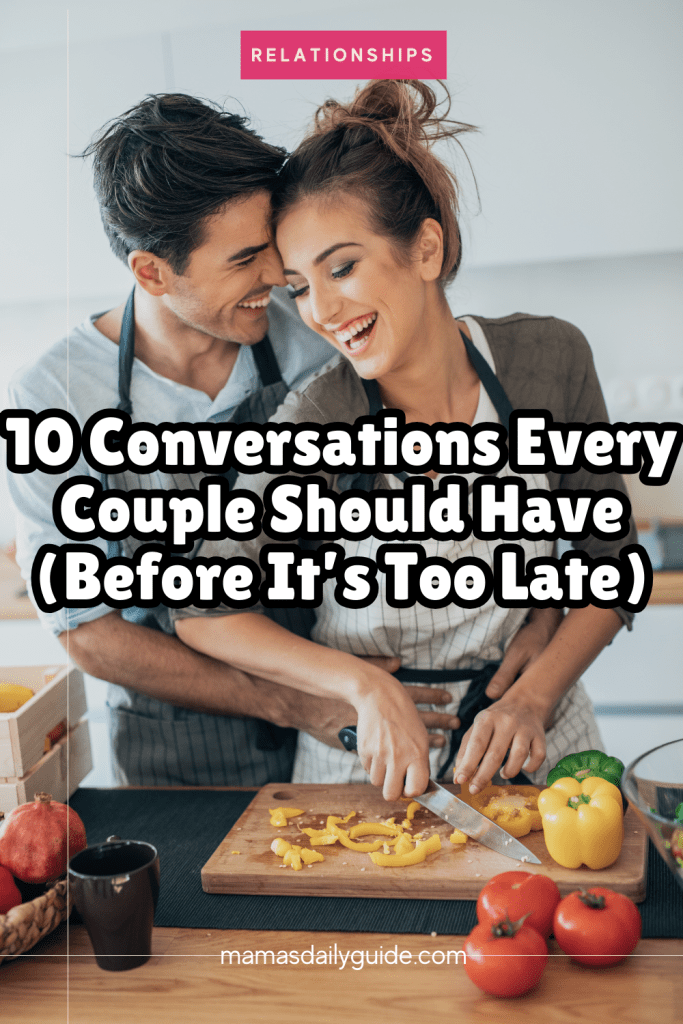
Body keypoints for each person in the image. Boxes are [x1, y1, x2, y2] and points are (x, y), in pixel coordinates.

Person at [173, 80, 637, 803]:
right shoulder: (317, 417)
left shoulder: (546, 360)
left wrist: (534, 696)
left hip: (539, 748)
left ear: (424, 249)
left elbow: (608, 563)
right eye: (299, 285)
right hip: (368, 765)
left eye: (343, 267)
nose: (321, 311)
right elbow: (203, 611)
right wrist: (358, 686)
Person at [8, 92, 468, 786]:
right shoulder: (57, 398)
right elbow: (88, 631)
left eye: (273, 247)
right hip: (182, 757)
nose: (277, 278)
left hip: (344, 726)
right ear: (152, 273)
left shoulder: (312, 329)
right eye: (246, 258)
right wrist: (291, 700)